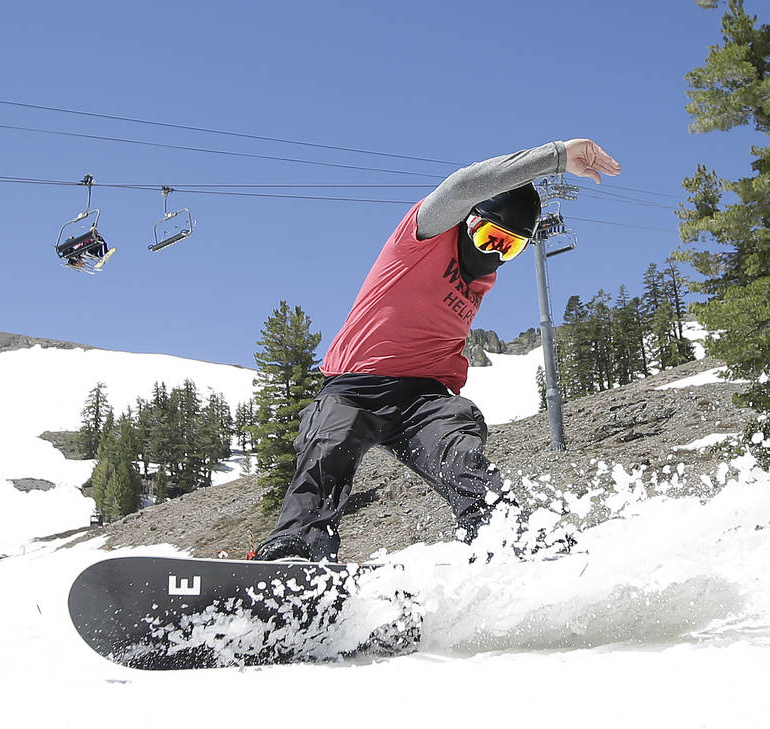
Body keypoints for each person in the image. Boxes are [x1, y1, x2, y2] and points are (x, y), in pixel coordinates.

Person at [251, 139, 621, 562]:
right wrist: (555, 157)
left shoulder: (482, 279)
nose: (494, 253)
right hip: (355, 386)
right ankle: (297, 550)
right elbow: (463, 186)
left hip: (423, 399)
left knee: (460, 451)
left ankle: (503, 540)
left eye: (510, 247)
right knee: (327, 452)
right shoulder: (423, 237)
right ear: (467, 222)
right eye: (489, 237)